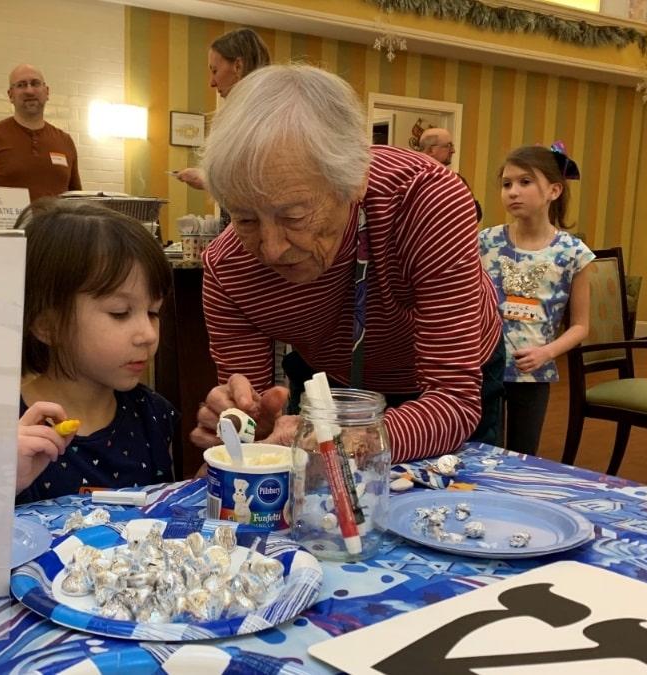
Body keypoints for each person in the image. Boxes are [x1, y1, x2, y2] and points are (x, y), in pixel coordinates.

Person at [189, 64, 503, 462]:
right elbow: (257, 421)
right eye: (245, 219)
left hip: (447, 379)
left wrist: (340, 442)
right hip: (331, 375)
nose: (270, 249)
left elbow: (454, 401)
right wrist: (247, 427)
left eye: (294, 216)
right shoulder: (228, 266)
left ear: (355, 181)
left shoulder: (425, 199)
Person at [14, 200, 177, 503]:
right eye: (120, 313)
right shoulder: (7, 427)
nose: (148, 334)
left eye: (153, 312)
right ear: (47, 325)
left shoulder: (153, 415)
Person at [479, 144, 593, 456]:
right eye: (506, 184)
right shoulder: (483, 242)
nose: (513, 192)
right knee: (480, 450)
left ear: (554, 190)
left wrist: (546, 352)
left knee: (522, 454)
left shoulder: (573, 253)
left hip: (532, 372)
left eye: (525, 182)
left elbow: (581, 325)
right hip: (483, 366)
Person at [0, 64, 81, 227]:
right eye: (21, 85)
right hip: (6, 243)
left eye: (35, 83)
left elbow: (76, 198)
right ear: (10, 95)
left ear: (47, 92)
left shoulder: (65, 141)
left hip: (56, 244)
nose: (29, 91)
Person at [174, 28, 271, 191]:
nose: (212, 82)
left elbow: (257, 183)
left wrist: (207, 179)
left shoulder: (262, 117)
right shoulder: (257, 112)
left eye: (215, 71)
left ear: (238, 66)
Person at [417, 126, 482, 223]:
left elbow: (476, 214)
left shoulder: (457, 179)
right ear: (431, 150)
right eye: (448, 146)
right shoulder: (414, 179)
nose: (453, 150)